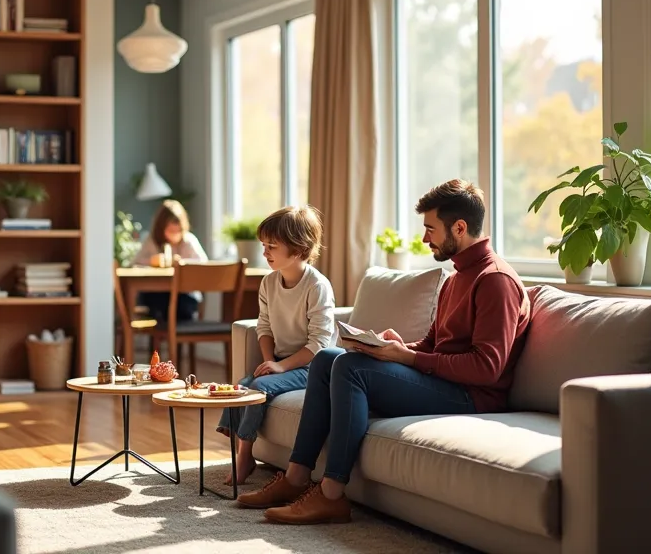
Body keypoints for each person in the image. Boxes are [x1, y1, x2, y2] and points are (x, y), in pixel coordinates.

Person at [237, 179, 530, 525]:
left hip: (472, 397)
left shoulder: (495, 280)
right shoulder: (456, 279)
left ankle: (331, 495)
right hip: (445, 382)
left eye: (430, 229)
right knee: (330, 358)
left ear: (460, 228)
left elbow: (487, 369)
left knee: (350, 368)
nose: (424, 239)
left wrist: (407, 358)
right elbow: (435, 344)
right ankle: (296, 477)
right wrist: (401, 346)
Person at [217, 205, 335, 486]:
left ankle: (246, 457)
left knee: (258, 389)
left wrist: (280, 367)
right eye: (264, 245)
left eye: (272, 246)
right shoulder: (268, 283)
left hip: (313, 367)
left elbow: (319, 343)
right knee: (240, 387)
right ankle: (239, 452)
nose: (265, 252)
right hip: (283, 361)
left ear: (298, 249)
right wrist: (270, 362)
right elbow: (264, 327)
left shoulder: (317, 286)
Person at [133, 199, 209, 322]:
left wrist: (182, 264)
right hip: (158, 295)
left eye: (178, 231)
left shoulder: (188, 241)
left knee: (180, 305)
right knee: (157, 301)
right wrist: (151, 261)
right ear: (161, 228)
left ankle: (174, 336)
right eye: (170, 231)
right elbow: (135, 264)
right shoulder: (151, 241)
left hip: (184, 296)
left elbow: (204, 265)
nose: (174, 235)